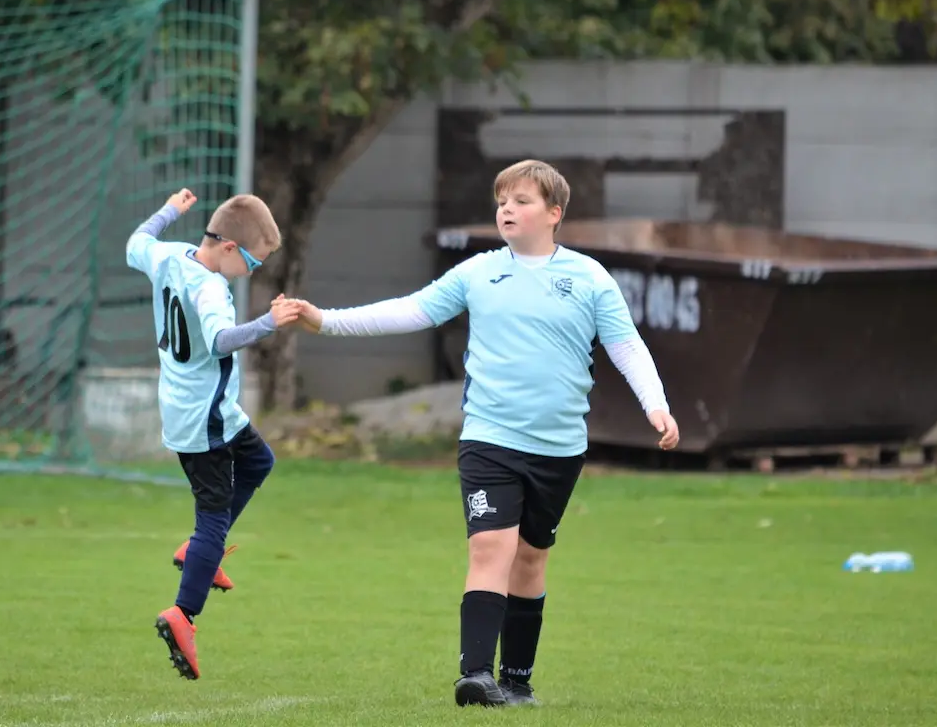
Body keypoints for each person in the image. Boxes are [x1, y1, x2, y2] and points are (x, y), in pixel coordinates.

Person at [290, 159, 680, 708]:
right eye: (501, 201)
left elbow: (627, 346)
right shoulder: (477, 273)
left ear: (554, 213)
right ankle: (475, 675)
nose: (506, 210)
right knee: (490, 547)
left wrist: (656, 406)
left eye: (521, 201)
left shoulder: (590, 277)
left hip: (559, 447)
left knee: (531, 558)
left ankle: (517, 682)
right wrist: (325, 320)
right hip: (490, 438)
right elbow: (411, 311)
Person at [125, 187, 302, 681]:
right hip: (204, 419)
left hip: (203, 409)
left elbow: (136, 242)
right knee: (212, 517)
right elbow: (223, 339)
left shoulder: (170, 255)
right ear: (228, 247)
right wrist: (269, 322)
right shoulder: (210, 288)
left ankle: (201, 551)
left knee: (259, 462)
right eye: (253, 261)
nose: (253, 271)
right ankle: (183, 614)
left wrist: (169, 211)